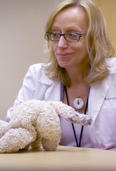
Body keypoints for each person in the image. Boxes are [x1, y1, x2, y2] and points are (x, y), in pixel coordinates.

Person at [6, 0, 115, 149]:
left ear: (94, 37)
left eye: (72, 35)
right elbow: (13, 127)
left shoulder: (113, 75)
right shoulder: (37, 76)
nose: (61, 44)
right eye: (56, 34)